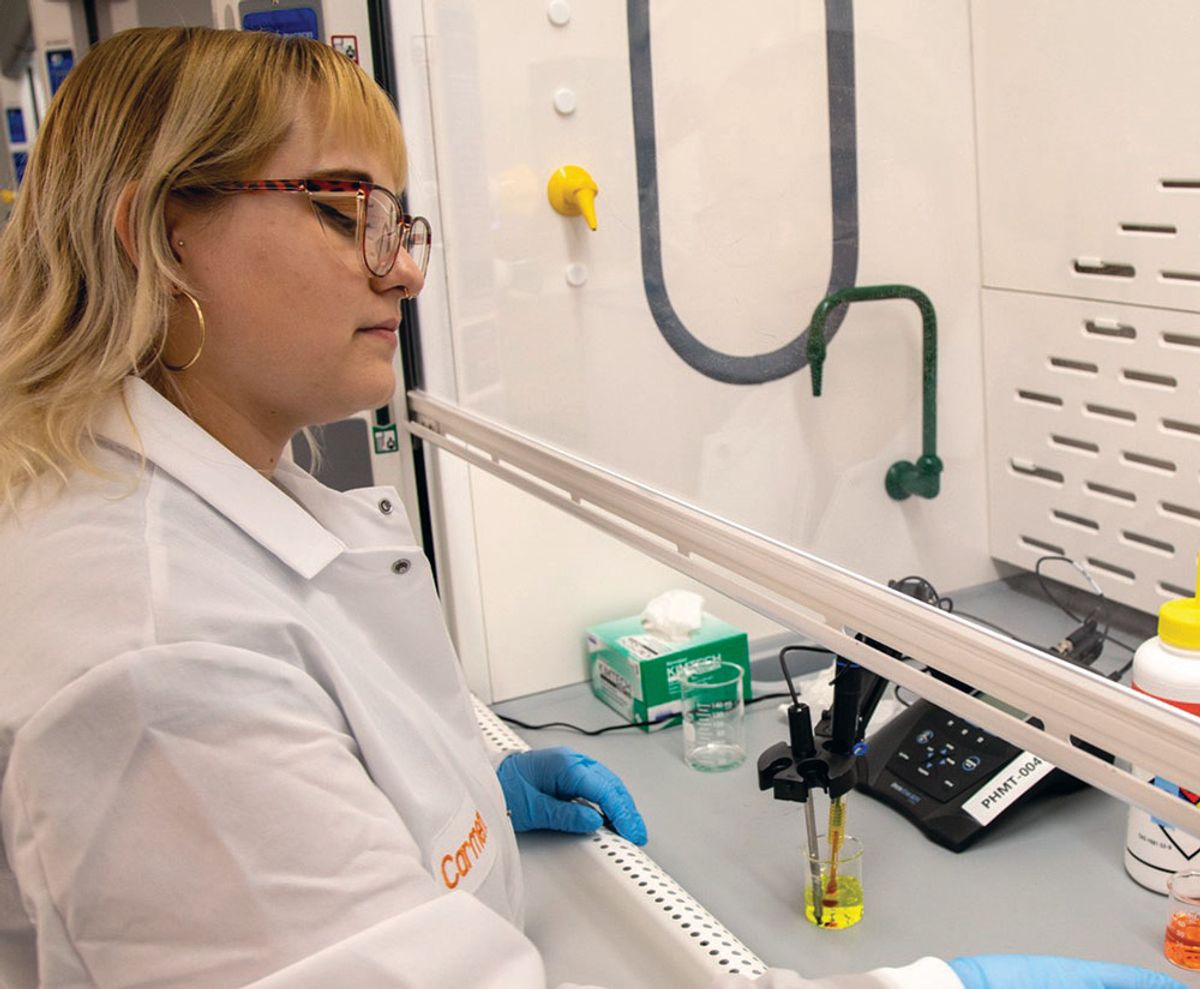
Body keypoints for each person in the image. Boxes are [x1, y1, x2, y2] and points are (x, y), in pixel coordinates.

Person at [0, 26, 1183, 989]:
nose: (403, 266)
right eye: (341, 203)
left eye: (399, 219)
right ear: (159, 234)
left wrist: (465, 801)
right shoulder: (159, 655)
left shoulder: (220, 500)